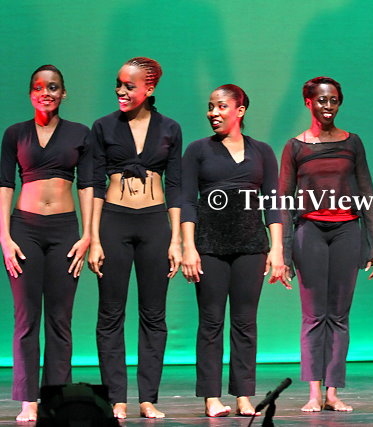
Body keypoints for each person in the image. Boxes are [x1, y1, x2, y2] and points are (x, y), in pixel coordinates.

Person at [279, 76, 373, 412]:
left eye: (334, 100)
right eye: (322, 100)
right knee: (314, 316)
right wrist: (282, 253)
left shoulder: (352, 143)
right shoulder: (295, 147)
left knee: (339, 315)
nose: (328, 106)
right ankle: (313, 392)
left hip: (346, 231)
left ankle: (333, 392)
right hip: (309, 232)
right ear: (308, 102)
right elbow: (283, 202)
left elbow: (367, 193)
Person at [181, 84, 286, 418]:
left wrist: (277, 249)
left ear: (240, 110)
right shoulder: (198, 150)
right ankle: (211, 397)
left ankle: (243, 395)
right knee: (211, 322)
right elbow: (187, 201)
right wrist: (188, 246)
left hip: (251, 245)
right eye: (210, 106)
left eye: (221, 106)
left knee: (245, 322)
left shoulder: (262, 152)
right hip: (210, 245)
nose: (213, 112)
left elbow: (273, 203)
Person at [87, 57, 182, 419]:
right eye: (119, 84)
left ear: (149, 88)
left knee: (154, 314)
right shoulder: (103, 126)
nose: (121, 91)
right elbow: (94, 183)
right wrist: (94, 238)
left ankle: (148, 398)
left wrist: (176, 239)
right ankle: (116, 398)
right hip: (114, 221)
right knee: (110, 312)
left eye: (129, 86)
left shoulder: (169, 128)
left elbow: (176, 186)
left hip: (155, 223)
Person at [0, 65, 93, 422]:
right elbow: (5, 184)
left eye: (52, 87)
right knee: (26, 318)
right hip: (24, 230)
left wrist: (87, 234)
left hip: (65, 231)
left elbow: (87, 185)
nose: (45, 93)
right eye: (38, 87)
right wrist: (5, 237)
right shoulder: (15, 134)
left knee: (60, 319)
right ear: (30, 94)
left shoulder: (79, 134)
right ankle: (28, 399)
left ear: (63, 93)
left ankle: (56, 397)